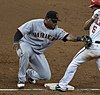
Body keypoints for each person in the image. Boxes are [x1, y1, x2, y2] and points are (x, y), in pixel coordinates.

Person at [13, 10, 84, 89]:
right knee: (26, 53)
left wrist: (80, 38)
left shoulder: (56, 31)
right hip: (25, 45)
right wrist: (16, 42)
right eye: (53, 21)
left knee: (46, 76)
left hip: (38, 52)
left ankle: (29, 73)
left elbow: (68, 37)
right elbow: (19, 32)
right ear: (47, 19)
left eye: (56, 21)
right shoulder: (34, 23)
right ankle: (21, 79)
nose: (55, 23)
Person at [55, 0, 100, 92]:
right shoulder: (96, 16)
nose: (91, 8)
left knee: (75, 62)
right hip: (97, 48)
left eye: (93, 6)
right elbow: (85, 27)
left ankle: (62, 85)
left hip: (93, 47)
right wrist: (93, 17)